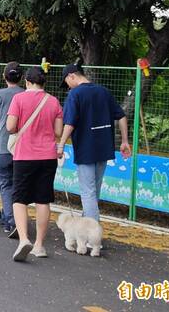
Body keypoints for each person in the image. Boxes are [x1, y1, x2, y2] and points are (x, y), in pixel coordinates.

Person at [58, 63, 131, 221]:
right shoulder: (103, 91)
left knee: (88, 192)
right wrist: (125, 141)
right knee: (94, 190)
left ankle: (92, 235)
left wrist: (61, 144)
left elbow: (69, 123)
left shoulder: (75, 95)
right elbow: (122, 116)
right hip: (104, 148)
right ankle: (88, 227)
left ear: (72, 76)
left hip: (85, 149)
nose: (67, 87)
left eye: (66, 83)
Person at [6, 66, 63, 261]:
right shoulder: (53, 101)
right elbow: (58, 132)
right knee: (43, 199)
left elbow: (10, 127)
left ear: (27, 82)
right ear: (43, 82)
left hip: (24, 155)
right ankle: (39, 245)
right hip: (48, 156)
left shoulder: (19, 99)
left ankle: (23, 239)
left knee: (19, 198)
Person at [0, 61, 24, 238]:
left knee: (6, 184)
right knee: (18, 185)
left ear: (4, 76)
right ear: (22, 77)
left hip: (3, 147)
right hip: (22, 148)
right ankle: (19, 219)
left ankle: (10, 221)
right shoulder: (26, 94)